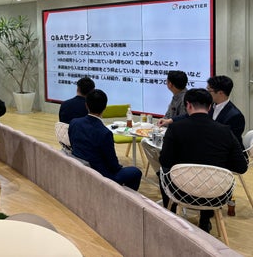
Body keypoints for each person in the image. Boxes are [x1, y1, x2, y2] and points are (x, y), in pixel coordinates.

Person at [158, 88, 247, 232]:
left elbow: (165, 161)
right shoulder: (225, 131)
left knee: (162, 171)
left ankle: (172, 218)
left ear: (188, 105)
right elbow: (241, 167)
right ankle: (205, 221)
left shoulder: (175, 128)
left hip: (181, 192)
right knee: (210, 176)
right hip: (216, 195)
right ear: (210, 107)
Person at [68, 89, 142, 191]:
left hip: (79, 168)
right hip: (101, 175)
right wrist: (120, 168)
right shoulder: (104, 133)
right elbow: (113, 165)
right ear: (105, 107)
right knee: (135, 172)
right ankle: (122, 197)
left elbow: (72, 145)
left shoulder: (74, 123)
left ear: (86, 105)